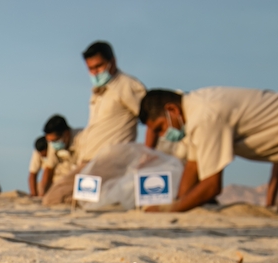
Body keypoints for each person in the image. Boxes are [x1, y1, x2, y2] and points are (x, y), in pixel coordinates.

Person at [139, 87, 278, 211]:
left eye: (160, 128)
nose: (163, 136)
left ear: (172, 110)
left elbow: (212, 186)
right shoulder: (192, 114)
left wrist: (169, 209)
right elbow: (193, 166)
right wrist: (177, 202)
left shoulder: (205, 117)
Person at [79, 41, 146, 163]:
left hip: (112, 161)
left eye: (99, 66)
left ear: (113, 62)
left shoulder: (126, 85)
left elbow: (153, 118)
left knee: (63, 183)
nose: (95, 72)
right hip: (89, 160)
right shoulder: (98, 91)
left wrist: (148, 154)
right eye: (90, 69)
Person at [41, 115, 83, 195]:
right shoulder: (53, 143)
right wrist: (43, 193)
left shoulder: (82, 138)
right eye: (49, 141)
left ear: (66, 134)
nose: (53, 144)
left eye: (54, 141)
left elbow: (85, 169)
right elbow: (49, 169)